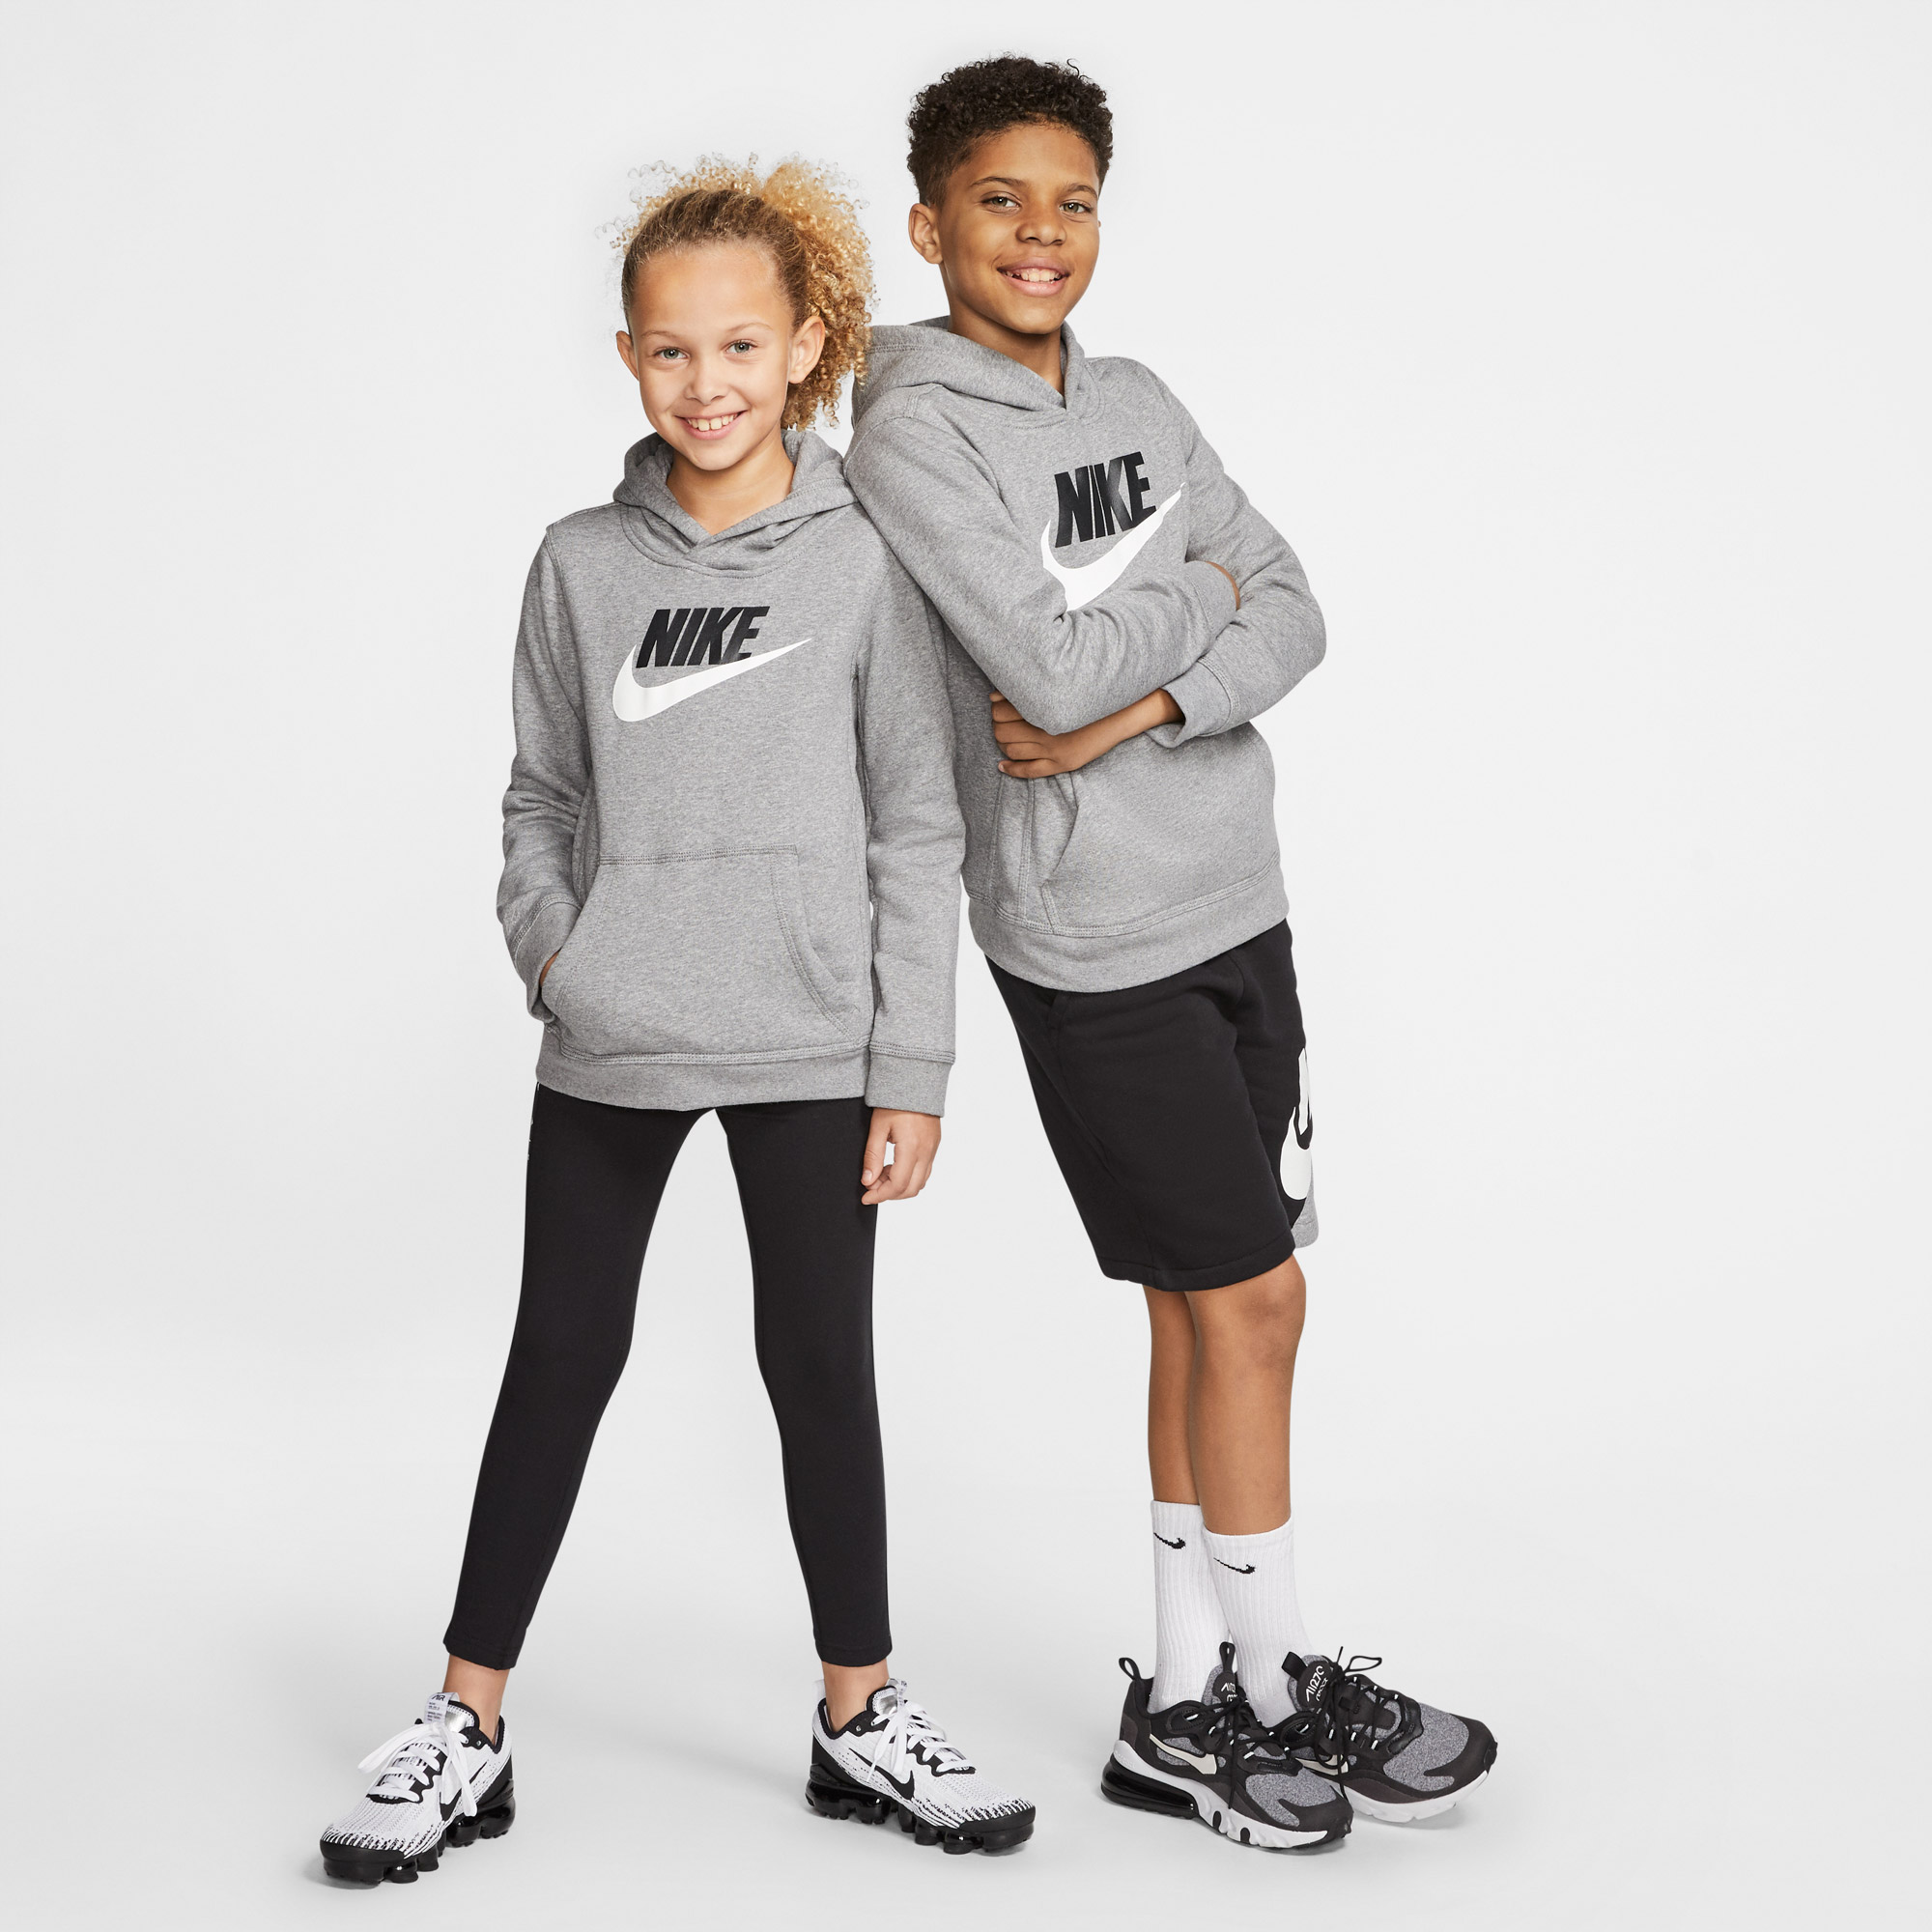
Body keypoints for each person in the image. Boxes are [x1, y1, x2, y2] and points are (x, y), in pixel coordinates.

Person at [318, 156, 1033, 1886]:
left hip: (812, 1034)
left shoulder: (869, 564)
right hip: (618, 1030)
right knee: (560, 1359)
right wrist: (564, 962)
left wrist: (914, 1063)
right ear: (627, 357)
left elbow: (918, 821)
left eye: (739, 346)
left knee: (820, 1370)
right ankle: (466, 1722)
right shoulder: (578, 565)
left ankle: (859, 1717)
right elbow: (539, 797)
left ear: (808, 346)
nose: (705, 383)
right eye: (668, 350)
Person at [844, 57, 1496, 1851]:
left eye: (1074, 201)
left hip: (1236, 901)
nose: (1041, 232)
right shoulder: (914, 433)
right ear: (930, 223)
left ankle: (1184, 1697)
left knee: (1203, 1307)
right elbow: (1040, 672)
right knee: (1258, 1302)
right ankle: (1275, 1691)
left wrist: (1138, 688)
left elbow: (1294, 604)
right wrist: (1188, 605)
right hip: (1091, 935)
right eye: (1000, 199)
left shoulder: (1139, 396)